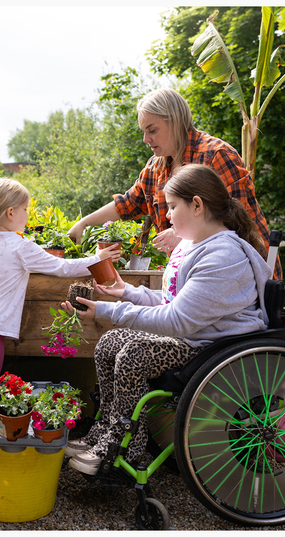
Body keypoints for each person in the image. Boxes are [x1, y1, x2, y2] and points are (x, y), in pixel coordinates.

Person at [61, 164, 272, 475]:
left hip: (214, 350)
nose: (168, 216)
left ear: (197, 206)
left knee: (134, 353)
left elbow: (176, 320)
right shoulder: (195, 247)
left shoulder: (223, 257)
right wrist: (126, 292)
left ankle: (126, 447)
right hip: (196, 337)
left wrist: (105, 311)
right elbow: (172, 304)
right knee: (109, 342)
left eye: (173, 207)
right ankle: (104, 432)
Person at [67, 87, 282, 280]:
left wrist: (185, 237)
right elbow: (128, 204)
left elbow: (241, 225)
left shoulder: (216, 156)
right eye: (144, 132)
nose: (146, 139)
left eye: (152, 130)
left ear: (175, 121)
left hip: (245, 278)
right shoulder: (155, 168)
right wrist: (83, 223)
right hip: (196, 278)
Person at [0, 177, 121, 413]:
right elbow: (61, 268)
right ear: (11, 212)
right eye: (25, 209)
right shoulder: (19, 246)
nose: (28, 214)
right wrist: (98, 260)